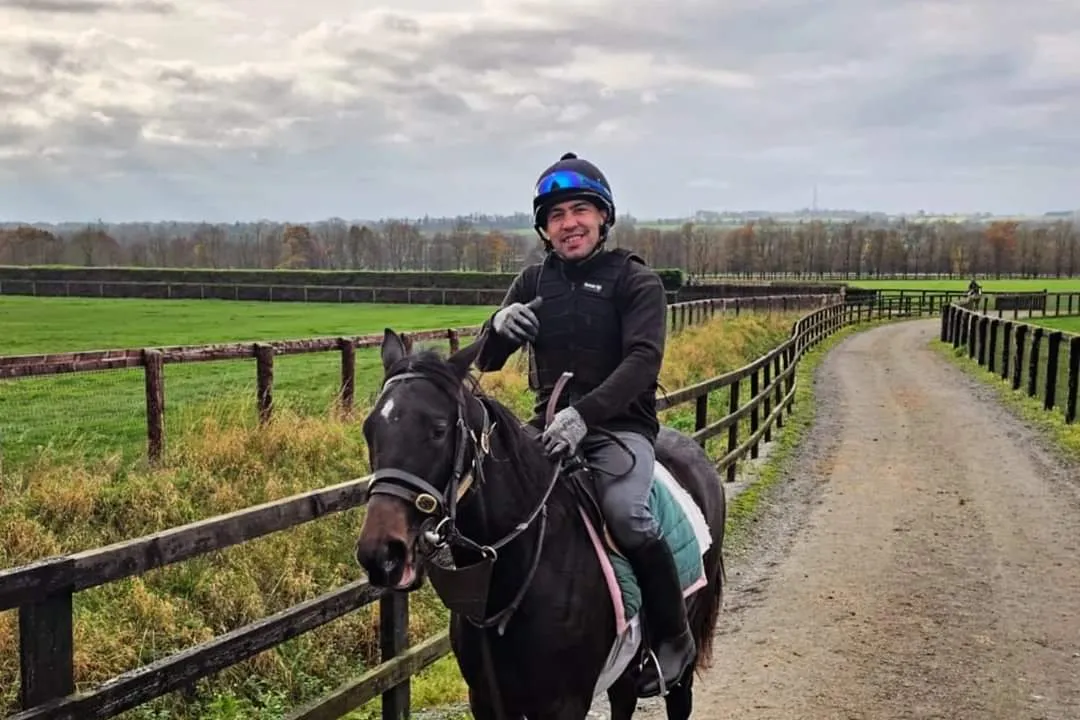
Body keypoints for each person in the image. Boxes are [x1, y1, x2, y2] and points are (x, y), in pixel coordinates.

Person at [474, 152, 695, 697]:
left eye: (580, 210)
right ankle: (497, 633)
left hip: (618, 428)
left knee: (628, 514)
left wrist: (584, 415)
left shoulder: (636, 282)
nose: (568, 223)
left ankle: (673, 638)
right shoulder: (531, 280)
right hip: (545, 428)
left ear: (603, 218)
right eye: (555, 216)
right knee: (489, 507)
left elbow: (643, 364)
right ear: (544, 230)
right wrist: (497, 325)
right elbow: (487, 361)